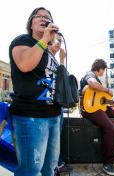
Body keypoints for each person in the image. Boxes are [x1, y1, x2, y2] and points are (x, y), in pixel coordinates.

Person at [9, 7, 61, 176]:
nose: (44, 19)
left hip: (54, 115)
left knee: (49, 168)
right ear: (31, 23)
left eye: (48, 17)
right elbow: (25, 65)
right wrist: (45, 39)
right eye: (39, 16)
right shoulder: (22, 41)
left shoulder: (48, 51)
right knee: (31, 170)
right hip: (31, 116)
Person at [80, 59, 114, 176]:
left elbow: (101, 100)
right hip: (89, 109)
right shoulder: (90, 74)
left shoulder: (98, 80)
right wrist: (108, 90)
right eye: (104, 70)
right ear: (100, 68)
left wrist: (112, 102)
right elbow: (92, 84)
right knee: (110, 127)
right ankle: (108, 163)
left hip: (101, 107)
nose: (104, 72)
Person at [48, 34, 72, 174]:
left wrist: (62, 60)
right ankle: (55, 164)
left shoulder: (55, 60)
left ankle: (57, 163)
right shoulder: (43, 56)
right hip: (46, 105)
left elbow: (63, 80)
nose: (59, 43)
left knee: (56, 138)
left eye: (61, 41)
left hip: (57, 105)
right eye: (56, 39)